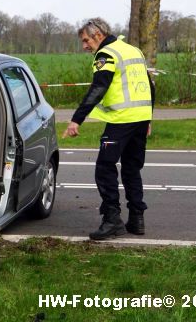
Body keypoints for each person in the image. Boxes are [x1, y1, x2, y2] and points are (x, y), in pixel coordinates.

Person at [63, 18, 154, 240]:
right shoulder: (133, 50)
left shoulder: (106, 55)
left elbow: (98, 88)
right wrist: (148, 118)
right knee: (132, 168)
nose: (84, 46)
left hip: (121, 122)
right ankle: (136, 219)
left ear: (98, 35)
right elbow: (149, 85)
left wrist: (76, 119)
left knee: (104, 167)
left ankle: (112, 219)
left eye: (86, 40)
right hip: (140, 120)